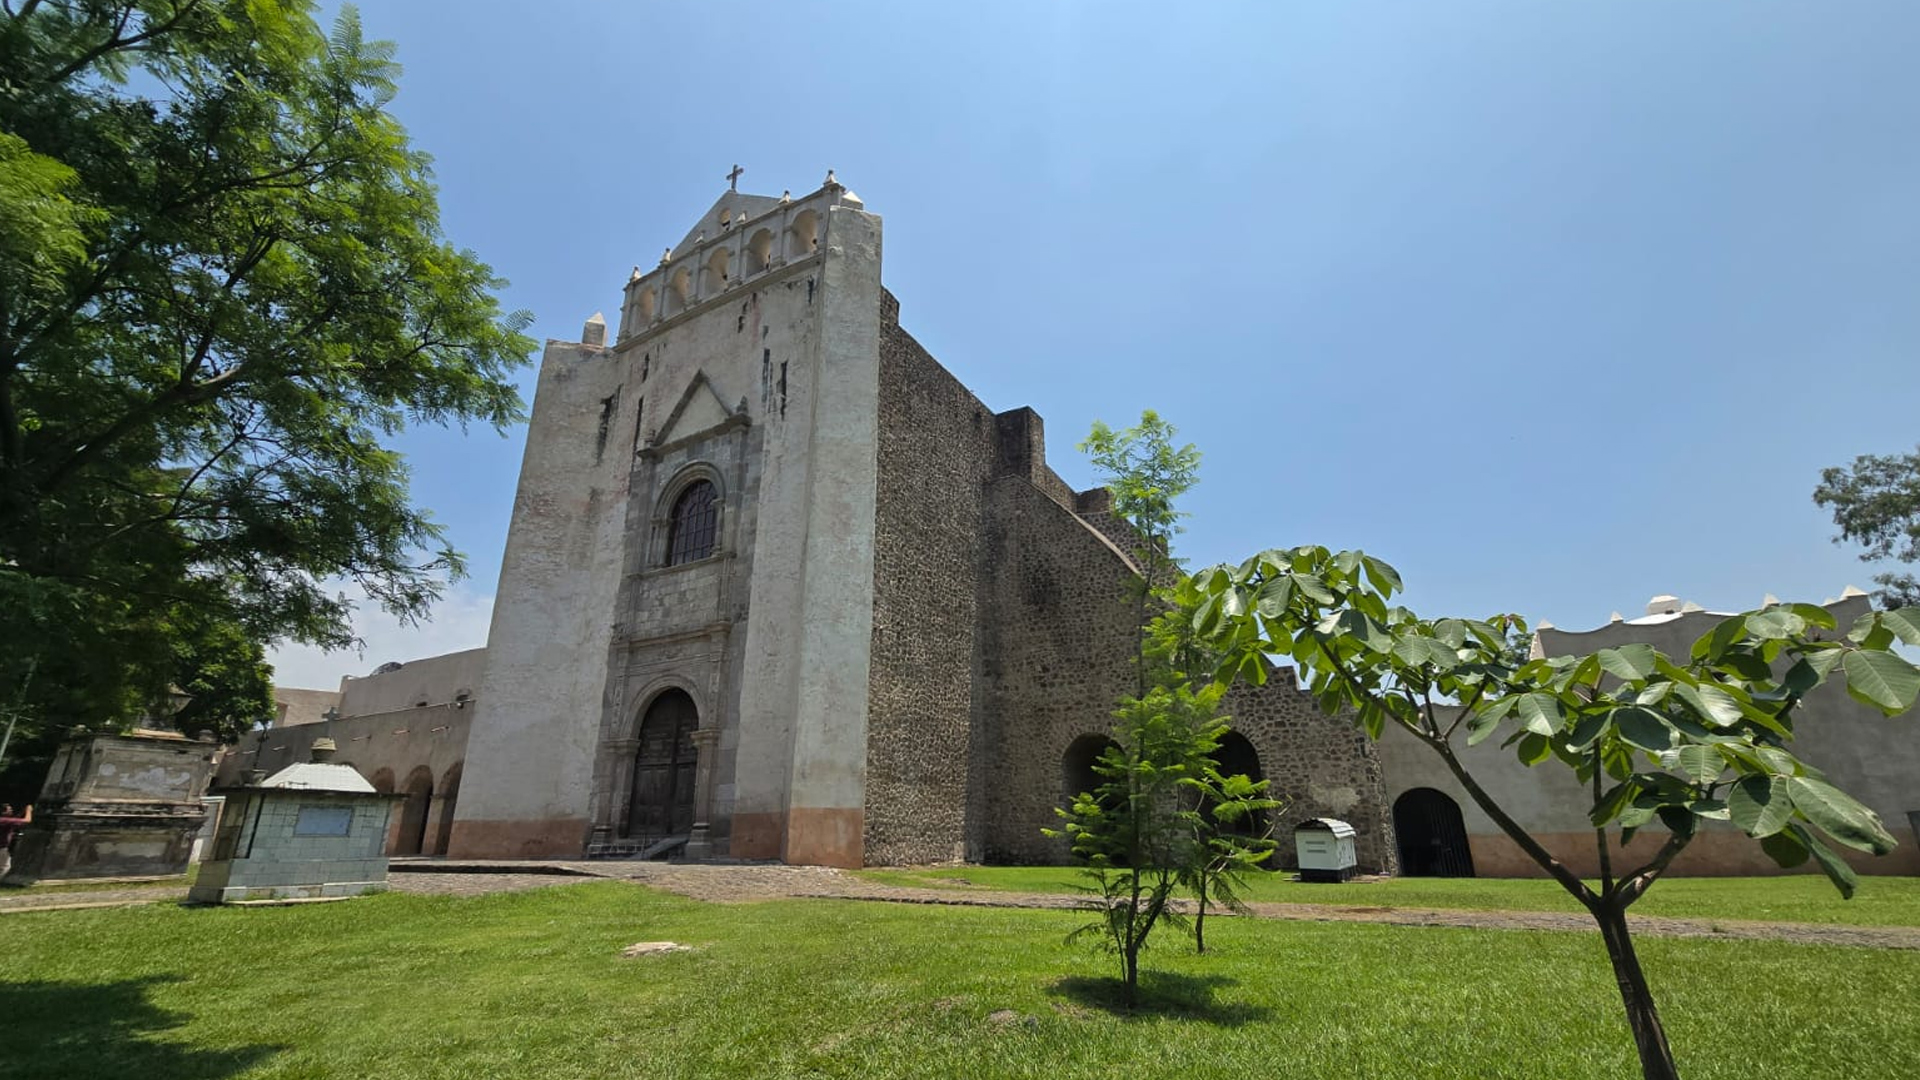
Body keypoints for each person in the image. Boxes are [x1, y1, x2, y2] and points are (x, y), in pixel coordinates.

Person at [0, 803, 32, 880]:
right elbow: (27, 820)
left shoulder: (4, 821)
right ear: (3, 812)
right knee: (5, 867)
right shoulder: (5, 820)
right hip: (1, 848)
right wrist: (29, 810)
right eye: (9, 810)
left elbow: (16, 819)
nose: (12, 810)